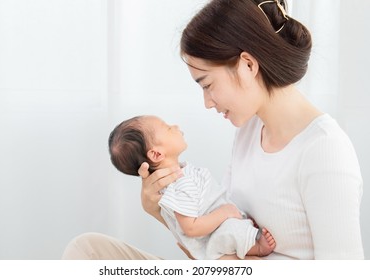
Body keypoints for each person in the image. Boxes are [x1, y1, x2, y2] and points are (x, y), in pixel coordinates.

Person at [62, 0, 364, 260]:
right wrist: (161, 212)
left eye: (207, 84)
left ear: (247, 65)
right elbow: (213, 247)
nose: (207, 102)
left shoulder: (323, 149)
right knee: (87, 250)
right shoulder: (248, 132)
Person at [107, 115, 276, 259]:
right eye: (167, 128)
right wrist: (227, 212)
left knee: (231, 230)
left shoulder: (182, 174)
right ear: (156, 154)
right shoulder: (178, 186)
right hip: (216, 240)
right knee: (229, 232)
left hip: (219, 230)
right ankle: (257, 248)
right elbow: (190, 228)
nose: (175, 126)